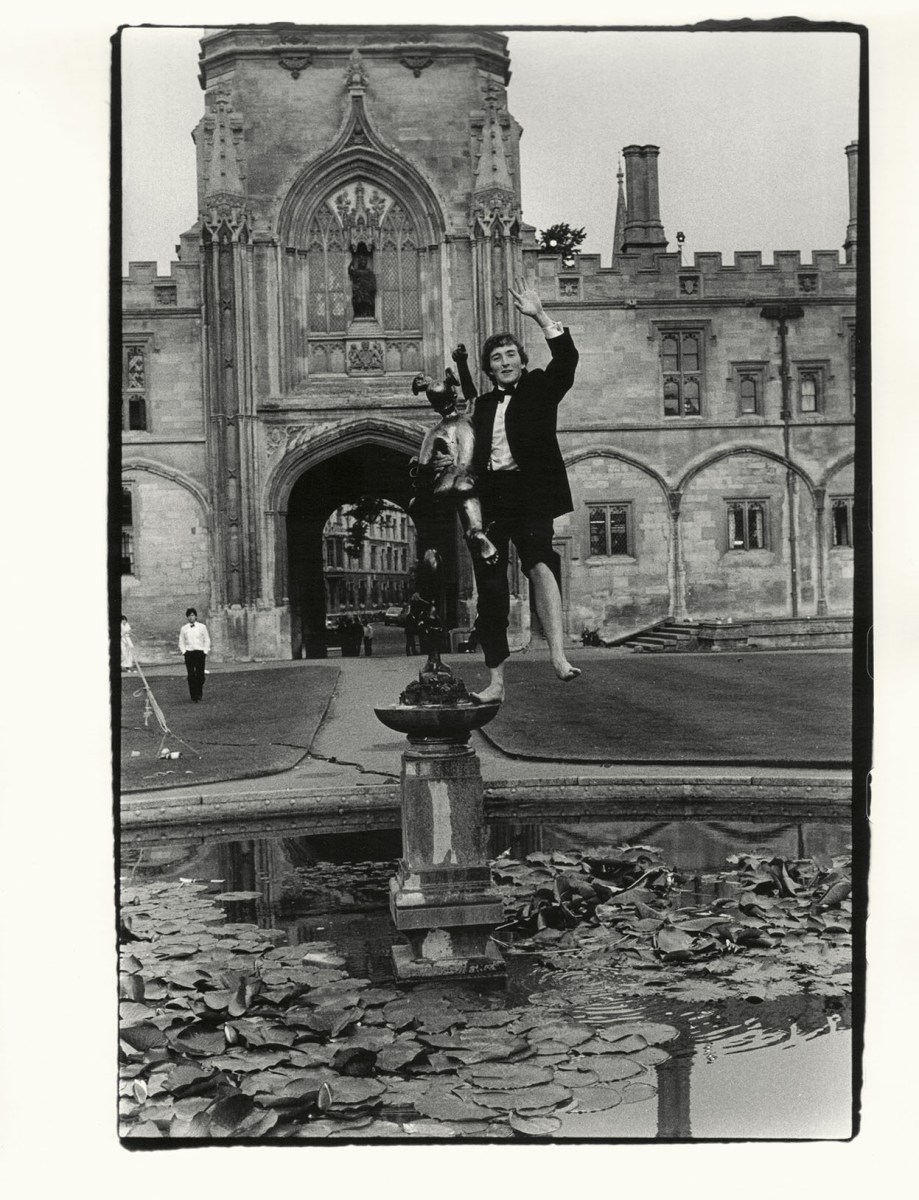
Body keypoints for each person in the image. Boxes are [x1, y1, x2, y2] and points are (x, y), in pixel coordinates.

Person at [464, 281, 582, 705]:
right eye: (497, 358)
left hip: (531, 492)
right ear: (489, 369)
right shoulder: (479, 407)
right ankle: (495, 680)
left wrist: (539, 315)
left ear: (521, 360)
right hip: (492, 497)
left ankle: (557, 654)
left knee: (540, 563)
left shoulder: (538, 388)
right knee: (491, 591)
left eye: (511, 354)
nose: (505, 361)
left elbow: (566, 360)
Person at [178, 607, 211, 702]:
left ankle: (199, 692)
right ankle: (194, 696)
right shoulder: (184, 628)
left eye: (192, 615)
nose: (191, 617)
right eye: (189, 616)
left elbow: (207, 639)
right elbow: (181, 641)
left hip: (200, 652)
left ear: (195, 616)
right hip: (189, 653)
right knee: (191, 675)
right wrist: (184, 652)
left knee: (200, 675)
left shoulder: (202, 627)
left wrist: (205, 651)